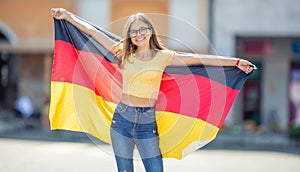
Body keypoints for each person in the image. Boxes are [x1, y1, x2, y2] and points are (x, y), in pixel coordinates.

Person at [51, 8, 255, 172]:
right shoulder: (123, 52)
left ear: (150, 31)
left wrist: (235, 62)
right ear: (129, 36)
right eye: (133, 31)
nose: (138, 34)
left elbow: (201, 59)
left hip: (147, 123)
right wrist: (68, 16)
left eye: (142, 30)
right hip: (121, 120)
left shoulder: (163, 56)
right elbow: (93, 33)